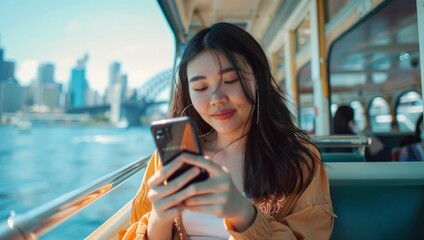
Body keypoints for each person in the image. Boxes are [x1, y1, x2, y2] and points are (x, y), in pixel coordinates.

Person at [119, 22, 335, 240]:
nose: (216, 99)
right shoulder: (169, 157)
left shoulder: (298, 160)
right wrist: (159, 218)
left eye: (231, 80)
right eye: (201, 88)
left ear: (258, 79)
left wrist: (243, 213)